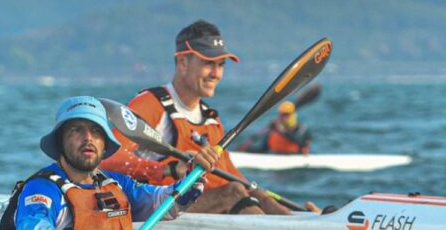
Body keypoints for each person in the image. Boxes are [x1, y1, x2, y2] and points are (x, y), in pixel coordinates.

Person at [0, 96, 221, 230]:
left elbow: (168, 203)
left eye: (96, 131)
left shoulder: (116, 184)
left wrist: (195, 173)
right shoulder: (42, 189)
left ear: (104, 143)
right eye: (76, 130)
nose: (88, 138)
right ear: (61, 141)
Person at [102, 20, 315, 215]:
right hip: (154, 206)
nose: (216, 73)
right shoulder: (150, 104)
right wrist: (168, 169)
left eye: (221, 64)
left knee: (247, 191)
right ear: (183, 62)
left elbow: (237, 179)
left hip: (194, 203)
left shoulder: (211, 120)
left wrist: (296, 215)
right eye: (208, 63)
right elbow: (108, 161)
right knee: (233, 193)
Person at [243, 100, 312, 154]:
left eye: (286, 114)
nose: (283, 117)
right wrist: (247, 146)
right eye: (281, 114)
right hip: (276, 154)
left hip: (293, 155)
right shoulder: (275, 126)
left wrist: (283, 131)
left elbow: (298, 141)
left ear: (293, 115)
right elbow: (261, 141)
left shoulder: (301, 129)